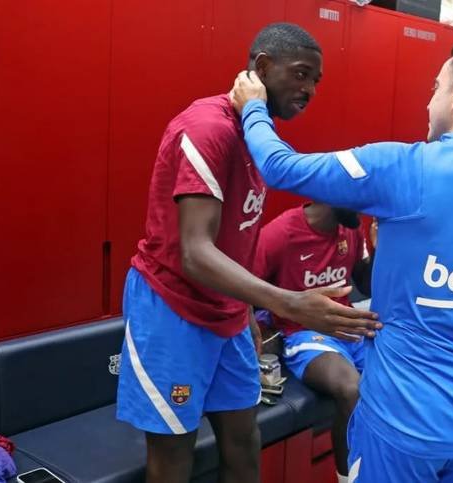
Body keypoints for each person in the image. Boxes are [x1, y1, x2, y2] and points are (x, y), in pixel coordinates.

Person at [232, 37, 453, 483]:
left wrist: (253, 106)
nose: (428, 102)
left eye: (436, 87)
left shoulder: (400, 167)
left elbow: (280, 167)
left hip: (399, 429)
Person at [115, 23, 379, 483]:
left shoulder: (259, 135)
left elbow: (241, 232)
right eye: (301, 74)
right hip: (172, 310)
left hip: (228, 314)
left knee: (243, 443)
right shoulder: (207, 128)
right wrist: (287, 303)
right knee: (174, 459)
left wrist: (244, 312)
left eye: (316, 80)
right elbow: (196, 252)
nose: (310, 90)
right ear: (263, 67)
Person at [255, 202, 374, 483]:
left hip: (348, 326)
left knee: (403, 372)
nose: (362, 206)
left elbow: (366, 285)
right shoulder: (281, 233)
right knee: (351, 389)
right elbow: (245, 289)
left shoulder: (351, 228)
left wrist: (380, 250)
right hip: (303, 332)